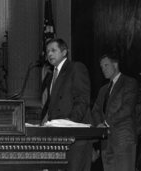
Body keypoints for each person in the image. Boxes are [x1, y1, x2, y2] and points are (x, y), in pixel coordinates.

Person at [41, 38, 92, 171]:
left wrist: (71, 122)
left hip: (74, 134)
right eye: (47, 52)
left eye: (53, 50)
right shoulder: (51, 76)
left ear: (64, 52)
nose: (49, 54)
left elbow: (82, 98)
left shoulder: (75, 68)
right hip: (57, 135)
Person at [91, 52, 138, 171]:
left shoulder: (129, 82)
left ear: (115, 64)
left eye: (106, 65)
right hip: (106, 142)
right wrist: (99, 126)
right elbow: (95, 110)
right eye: (101, 67)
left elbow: (127, 109)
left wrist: (106, 123)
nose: (103, 69)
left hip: (123, 139)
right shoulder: (103, 90)